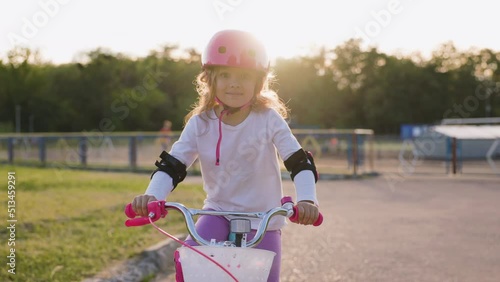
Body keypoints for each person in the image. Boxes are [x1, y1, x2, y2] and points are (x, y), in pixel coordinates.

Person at [131, 29, 320, 282]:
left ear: (258, 82)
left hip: (264, 218)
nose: (234, 83)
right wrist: (153, 196)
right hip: (218, 213)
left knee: (265, 277)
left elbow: (299, 162)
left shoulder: (268, 119)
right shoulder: (201, 123)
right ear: (210, 80)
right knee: (192, 266)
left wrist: (308, 200)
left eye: (244, 76)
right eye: (225, 75)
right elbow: (172, 165)